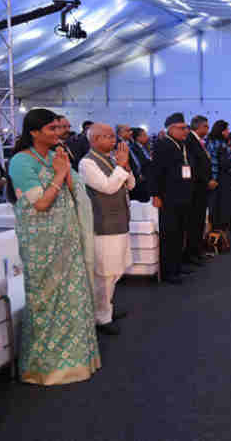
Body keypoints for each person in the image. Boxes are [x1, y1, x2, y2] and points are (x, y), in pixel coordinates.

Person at [7, 108, 100, 385]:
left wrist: (65, 172)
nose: (59, 134)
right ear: (34, 132)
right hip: (42, 245)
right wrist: (60, 174)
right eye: (52, 129)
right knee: (45, 301)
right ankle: (45, 367)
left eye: (60, 128)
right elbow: (41, 203)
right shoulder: (22, 162)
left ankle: (76, 362)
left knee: (73, 299)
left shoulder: (54, 156)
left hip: (67, 240)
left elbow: (77, 190)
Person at [79, 124, 135, 336]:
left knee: (116, 270)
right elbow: (108, 187)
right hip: (103, 225)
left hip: (119, 221)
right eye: (108, 137)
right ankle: (101, 317)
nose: (114, 141)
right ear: (94, 140)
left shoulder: (112, 159)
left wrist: (125, 166)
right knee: (105, 273)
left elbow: (130, 185)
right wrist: (121, 166)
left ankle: (106, 308)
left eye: (114, 136)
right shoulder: (87, 163)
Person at [150, 113, 196, 284]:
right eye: (182, 128)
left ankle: (177, 265)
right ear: (171, 128)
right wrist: (155, 194)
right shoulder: (162, 145)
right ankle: (169, 271)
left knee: (179, 233)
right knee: (170, 234)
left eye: (186, 128)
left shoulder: (181, 144)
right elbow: (155, 172)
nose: (186, 131)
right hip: (168, 197)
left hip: (183, 195)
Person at [186, 115, 214, 266]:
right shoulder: (191, 140)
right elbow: (194, 166)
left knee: (199, 221)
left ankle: (197, 251)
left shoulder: (197, 140)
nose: (207, 130)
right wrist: (206, 180)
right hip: (196, 188)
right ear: (200, 127)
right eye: (206, 127)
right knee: (195, 222)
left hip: (201, 188)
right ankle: (192, 253)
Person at [207, 120, 231, 231]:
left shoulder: (221, 142)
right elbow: (214, 163)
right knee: (220, 208)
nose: (228, 132)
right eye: (227, 129)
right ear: (221, 131)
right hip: (220, 180)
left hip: (224, 178)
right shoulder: (215, 143)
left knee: (224, 207)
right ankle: (218, 234)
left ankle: (221, 232)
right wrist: (214, 179)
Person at [128, 127, 153, 203]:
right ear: (138, 138)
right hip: (140, 181)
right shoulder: (133, 148)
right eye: (144, 135)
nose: (147, 137)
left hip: (147, 179)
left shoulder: (144, 146)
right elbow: (138, 164)